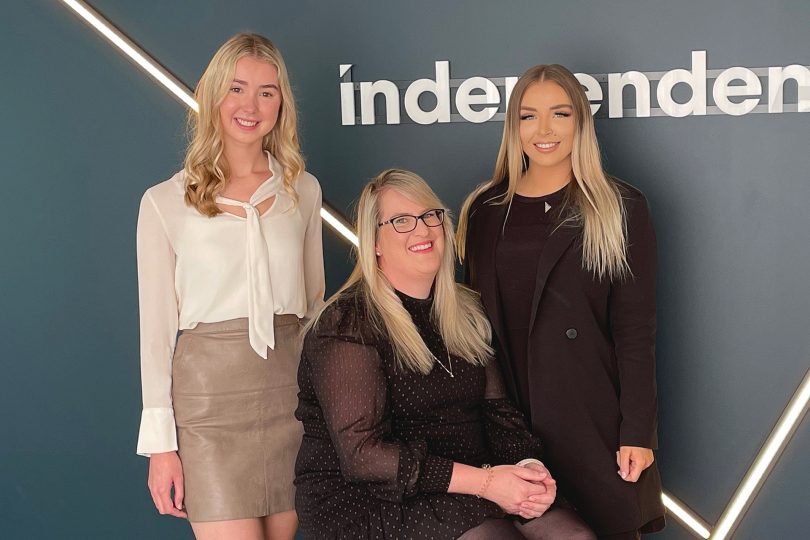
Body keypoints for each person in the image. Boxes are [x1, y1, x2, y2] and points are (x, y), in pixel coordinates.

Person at [294, 169, 595, 539]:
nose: (422, 231)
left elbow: (498, 413)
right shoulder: (348, 322)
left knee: (574, 537)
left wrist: (528, 470)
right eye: (401, 221)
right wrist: (486, 483)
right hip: (370, 499)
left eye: (429, 216)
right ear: (373, 241)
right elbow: (364, 457)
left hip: (468, 480)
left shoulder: (465, 310)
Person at [457, 64, 666, 539]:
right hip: (509, 418)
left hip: (590, 417)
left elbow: (636, 329)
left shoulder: (619, 206)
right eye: (529, 116)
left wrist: (637, 430)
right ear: (514, 127)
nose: (544, 130)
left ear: (581, 123)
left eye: (560, 113)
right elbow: (471, 328)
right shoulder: (485, 210)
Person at [135, 33, 324, 540]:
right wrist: (161, 446)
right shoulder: (163, 201)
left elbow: (313, 310)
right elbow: (155, 334)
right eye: (237, 89)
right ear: (213, 95)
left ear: (282, 103)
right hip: (208, 408)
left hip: (291, 396)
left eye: (267, 91)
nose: (251, 105)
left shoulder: (302, 190)